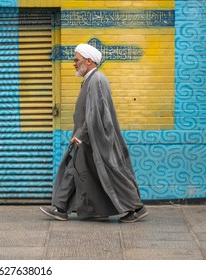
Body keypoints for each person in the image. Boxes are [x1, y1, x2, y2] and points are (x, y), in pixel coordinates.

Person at [39, 43, 148, 223]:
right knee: (74, 169)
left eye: (76, 60)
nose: (74, 63)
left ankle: (136, 208)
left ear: (88, 61)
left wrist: (81, 135)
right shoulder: (91, 79)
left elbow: (96, 112)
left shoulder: (97, 80)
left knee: (112, 172)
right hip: (88, 138)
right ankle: (60, 208)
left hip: (96, 138)